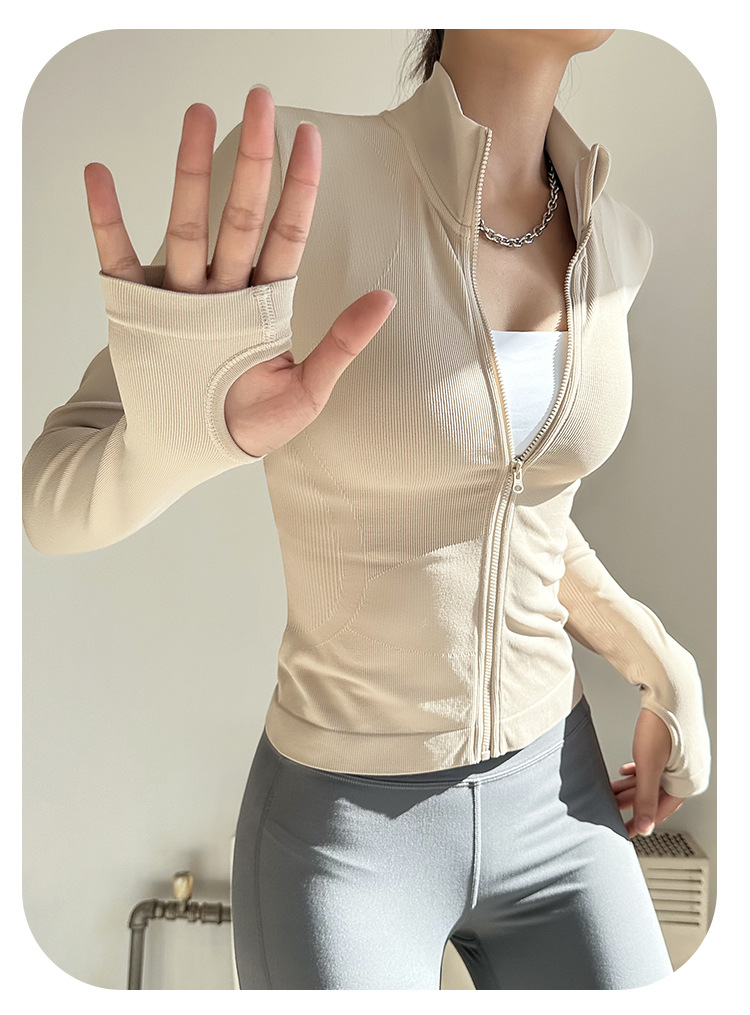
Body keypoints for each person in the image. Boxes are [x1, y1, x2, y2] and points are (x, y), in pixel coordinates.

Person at [22, 30, 712, 989]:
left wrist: (658, 658)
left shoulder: (618, 244)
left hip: (564, 793)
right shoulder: (302, 181)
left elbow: (515, 507)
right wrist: (179, 442)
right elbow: (48, 502)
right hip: (345, 834)